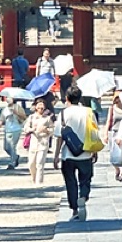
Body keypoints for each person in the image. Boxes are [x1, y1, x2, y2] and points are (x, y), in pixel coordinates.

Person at [53, 86, 94, 221]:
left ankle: (75, 209)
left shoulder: (64, 114)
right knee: (85, 179)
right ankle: (83, 196)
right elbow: (93, 132)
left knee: (70, 182)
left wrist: (56, 155)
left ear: (67, 98)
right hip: (86, 151)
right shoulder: (89, 112)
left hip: (68, 153)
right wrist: (94, 150)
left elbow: (59, 136)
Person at [22, 97, 55, 185]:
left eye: (42, 107)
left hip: (43, 142)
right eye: (39, 107)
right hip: (33, 142)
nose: (40, 109)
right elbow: (25, 128)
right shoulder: (32, 117)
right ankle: (34, 178)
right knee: (31, 164)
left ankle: (39, 182)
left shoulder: (47, 118)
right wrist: (32, 129)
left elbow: (52, 129)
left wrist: (46, 130)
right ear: (35, 107)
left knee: (40, 163)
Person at [0, 96, 27, 170]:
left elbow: (24, 117)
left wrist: (16, 113)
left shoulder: (18, 107)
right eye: (7, 98)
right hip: (7, 129)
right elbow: (1, 119)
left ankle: (12, 163)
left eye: (10, 98)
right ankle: (15, 156)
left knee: (12, 146)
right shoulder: (5, 109)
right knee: (6, 147)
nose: (8, 99)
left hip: (16, 129)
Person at [104, 92, 122, 182]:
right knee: (113, 154)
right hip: (114, 132)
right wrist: (105, 133)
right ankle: (117, 169)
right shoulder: (112, 108)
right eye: (117, 98)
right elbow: (108, 121)